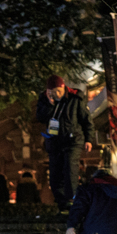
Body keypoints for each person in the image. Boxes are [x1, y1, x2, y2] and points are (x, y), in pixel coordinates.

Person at [35, 75, 94, 212]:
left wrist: (89, 139)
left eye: (58, 92)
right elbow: (40, 117)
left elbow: (87, 120)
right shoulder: (44, 99)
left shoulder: (75, 98)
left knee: (70, 169)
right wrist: (50, 104)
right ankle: (62, 204)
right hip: (54, 142)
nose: (56, 95)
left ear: (63, 88)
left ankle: (72, 201)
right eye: (52, 92)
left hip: (73, 140)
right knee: (55, 174)